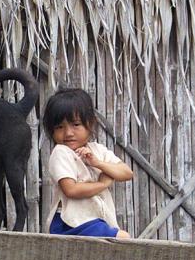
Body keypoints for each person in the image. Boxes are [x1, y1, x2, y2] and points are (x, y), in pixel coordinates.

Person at [42, 87, 133, 238]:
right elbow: (71, 190)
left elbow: (126, 172)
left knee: (119, 238)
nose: (68, 133)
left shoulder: (97, 150)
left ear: (90, 124)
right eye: (59, 127)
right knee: (122, 237)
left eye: (76, 124)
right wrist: (103, 184)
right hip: (68, 223)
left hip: (92, 221)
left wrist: (98, 163)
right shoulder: (61, 152)